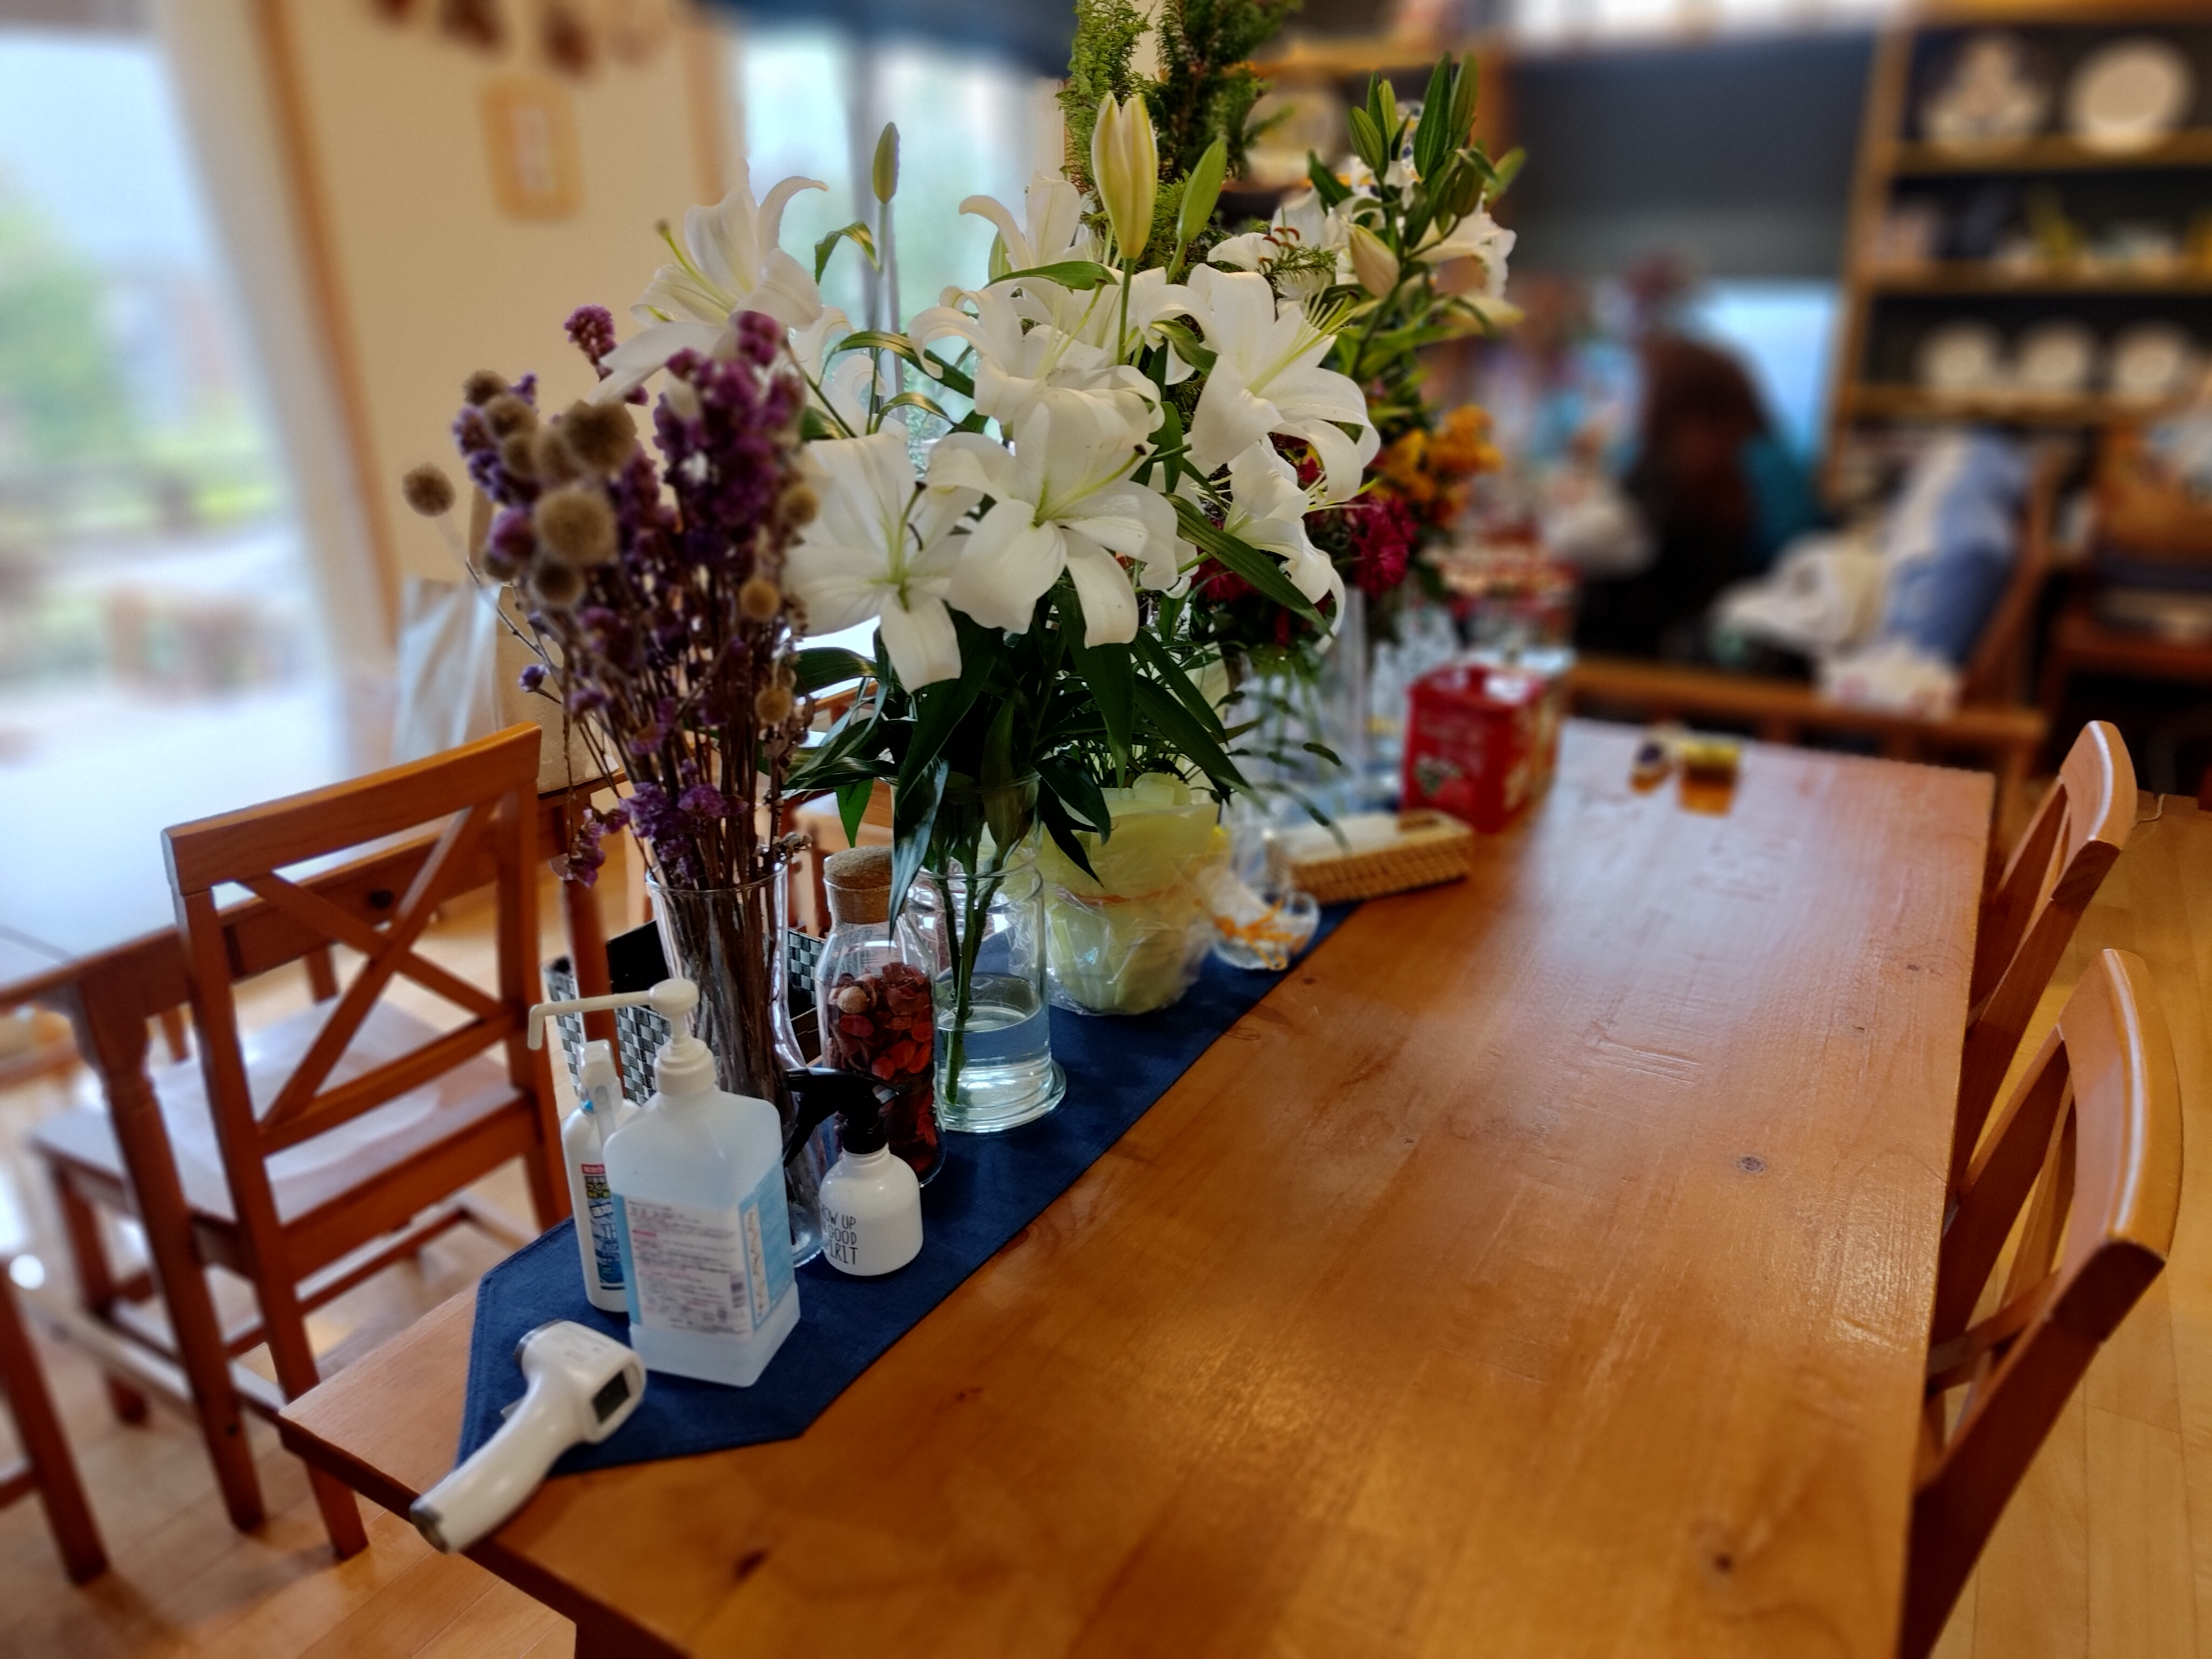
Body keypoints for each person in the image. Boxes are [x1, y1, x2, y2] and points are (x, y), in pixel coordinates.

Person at [1576, 334, 1818, 660]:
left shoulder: (1759, 465)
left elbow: (1798, 566)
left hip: (1702, 654)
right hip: (1688, 647)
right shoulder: (1756, 457)